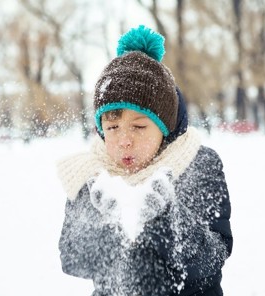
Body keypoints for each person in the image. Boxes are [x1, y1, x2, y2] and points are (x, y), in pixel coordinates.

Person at [57, 25, 232, 296]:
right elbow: (72, 258)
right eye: (113, 129)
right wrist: (110, 223)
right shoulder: (91, 175)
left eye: (139, 127)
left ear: (165, 128)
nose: (125, 140)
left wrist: (166, 219)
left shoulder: (197, 165)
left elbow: (214, 258)